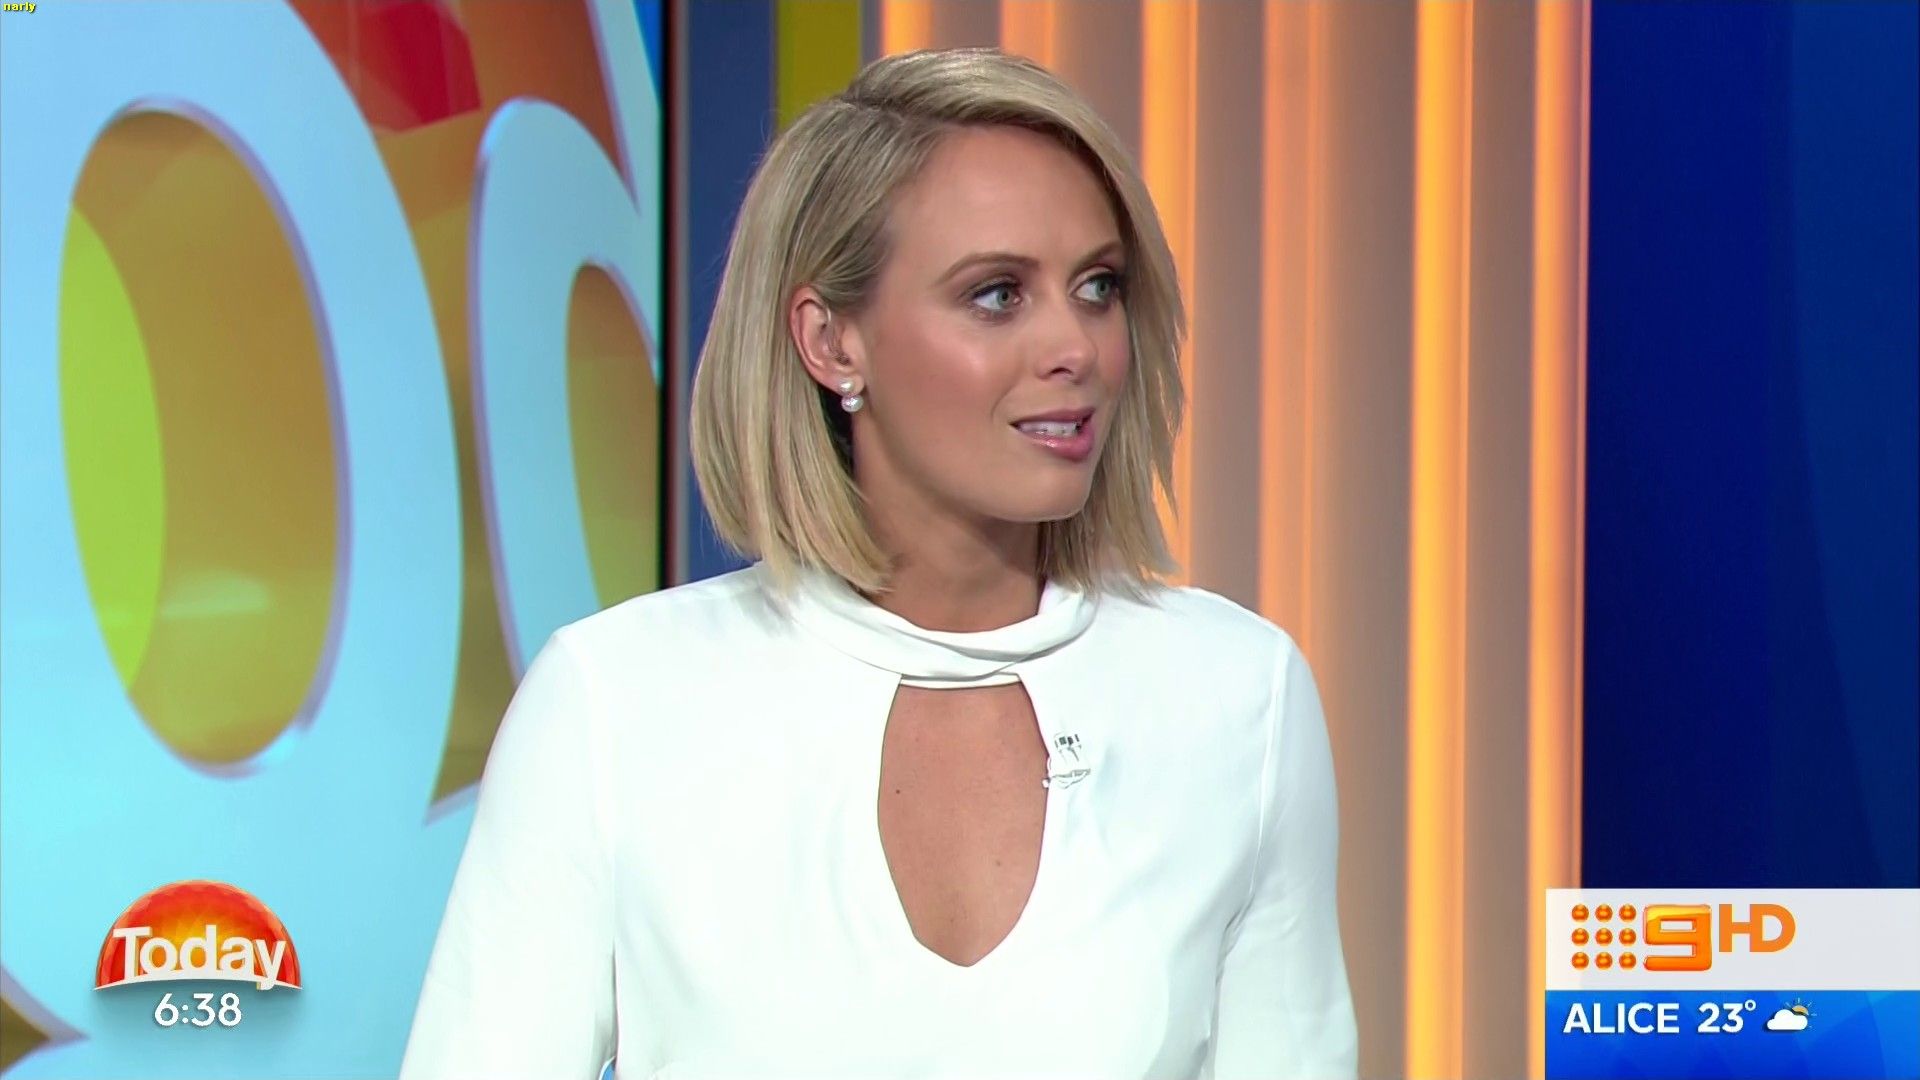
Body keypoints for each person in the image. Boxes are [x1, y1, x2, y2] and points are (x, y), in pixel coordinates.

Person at [399, 46, 1356, 1080]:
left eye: (1097, 287)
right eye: (998, 294)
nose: (1076, 348)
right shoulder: (613, 705)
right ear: (832, 343)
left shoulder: (1237, 699)